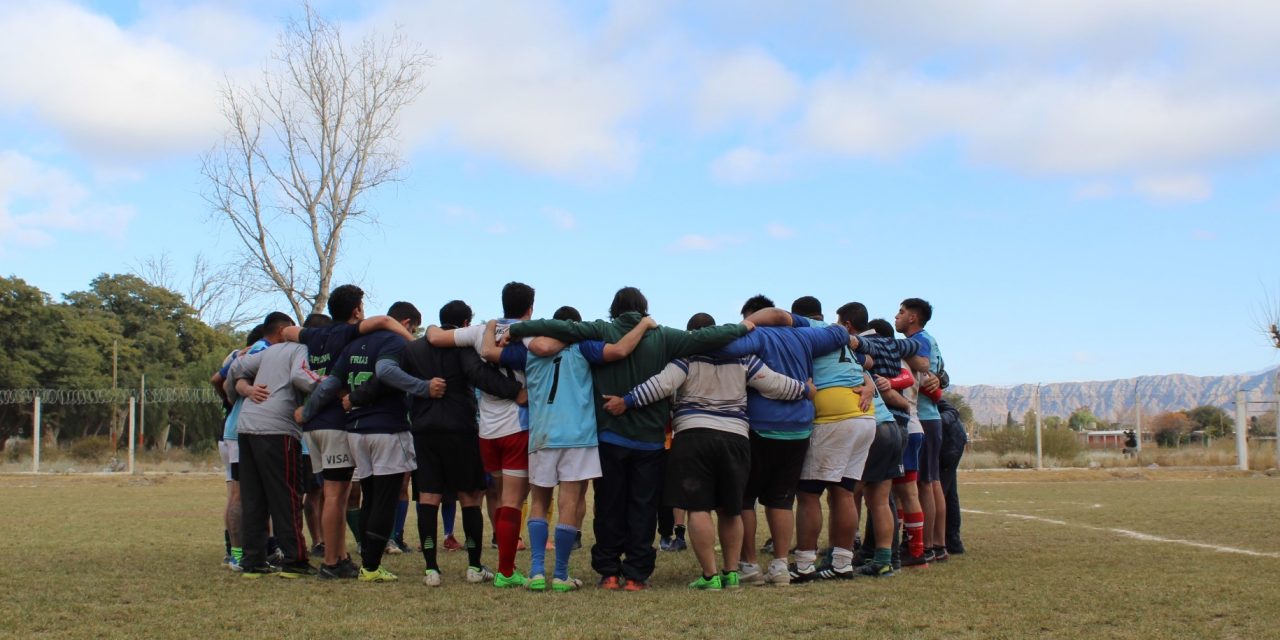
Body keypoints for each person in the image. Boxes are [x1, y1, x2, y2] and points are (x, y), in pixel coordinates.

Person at [506, 287, 751, 591]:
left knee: (608, 506)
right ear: (643, 309)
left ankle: (608, 572)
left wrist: (518, 328)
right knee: (643, 507)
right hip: (650, 440)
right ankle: (636, 575)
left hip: (609, 436)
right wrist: (742, 327)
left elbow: (560, 328)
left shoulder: (600, 330)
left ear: (614, 309)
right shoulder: (664, 336)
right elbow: (704, 338)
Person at [603, 312, 811, 590]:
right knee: (731, 509)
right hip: (736, 438)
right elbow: (772, 383)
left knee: (697, 507)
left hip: (694, 435)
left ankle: (710, 576)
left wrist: (627, 401)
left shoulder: (688, 355)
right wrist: (803, 389)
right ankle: (732, 572)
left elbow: (662, 384)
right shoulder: (743, 357)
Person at [481, 306, 655, 591]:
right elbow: (621, 350)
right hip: (578, 436)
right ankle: (561, 575)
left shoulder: (531, 350)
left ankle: (537, 572)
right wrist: (644, 325)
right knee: (569, 503)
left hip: (543, 434)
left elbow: (488, 353)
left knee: (539, 502)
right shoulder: (585, 347)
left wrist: (490, 327)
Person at [719, 296, 849, 586]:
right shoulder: (804, 337)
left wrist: (745, 326)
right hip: (799, 428)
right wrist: (791, 320)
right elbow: (840, 333)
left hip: (760, 426)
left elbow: (722, 347)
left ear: (754, 316)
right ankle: (779, 565)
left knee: (745, 500)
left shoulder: (757, 335)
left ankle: (749, 564)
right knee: (781, 500)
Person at [289, 284, 415, 579]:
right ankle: (332, 561)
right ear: (357, 310)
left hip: (313, 426)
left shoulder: (315, 334)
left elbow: (286, 332)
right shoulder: (347, 334)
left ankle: (341, 555)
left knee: (333, 493)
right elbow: (384, 321)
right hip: (334, 421)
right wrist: (415, 345)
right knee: (336, 494)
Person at [400, 299, 526, 587]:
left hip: (424, 426)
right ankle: (473, 566)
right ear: (467, 324)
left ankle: (431, 569)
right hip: (460, 426)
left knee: (428, 496)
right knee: (470, 496)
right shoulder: (463, 346)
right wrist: (515, 391)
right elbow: (477, 375)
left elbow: (402, 379)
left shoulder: (413, 348)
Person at [425, 282, 538, 588]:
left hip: (486, 430)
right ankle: (506, 570)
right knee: (513, 501)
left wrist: (433, 324)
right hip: (518, 426)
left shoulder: (478, 331)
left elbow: (434, 336)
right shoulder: (532, 333)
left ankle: (502, 556)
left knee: (496, 496)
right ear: (531, 307)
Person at [226, 312, 320, 578]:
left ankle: (253, 562)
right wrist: (330, 385)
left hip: (246, 427)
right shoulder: (298, 348)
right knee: (286, 495)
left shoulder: (267, 352)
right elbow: (301, 377)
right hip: (277, 429)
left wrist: (243, 391)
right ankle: (294, 560)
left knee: (253, 497)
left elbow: (236, 368)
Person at [897, 298, 949, 563]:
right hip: (929, 418)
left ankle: (927, 546)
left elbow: (928, 375)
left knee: (924, 484)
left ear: (913, 318)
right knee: (932, 481)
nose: (897, 316)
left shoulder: (922, 341)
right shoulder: (928, 339)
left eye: (902, 312)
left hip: (925, 417)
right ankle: (937, 544)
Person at [211, 324, 266, 570]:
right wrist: (234, 401)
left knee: (235, 491)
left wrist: (228, 402)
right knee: (241, 493)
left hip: (230, 430)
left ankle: (232, 550)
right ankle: (238, 552)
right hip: (242, 431)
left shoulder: (235, 355)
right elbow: (219, 380)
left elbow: (217, 379)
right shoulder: (252, 354)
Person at [938, 397, 967, 555]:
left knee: (939, 490)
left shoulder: (923, 383)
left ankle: (942, 542)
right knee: (947, 491)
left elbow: (951, 410)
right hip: (949, 436)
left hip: (949, 440)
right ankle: (952, 542)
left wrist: (936, 422)